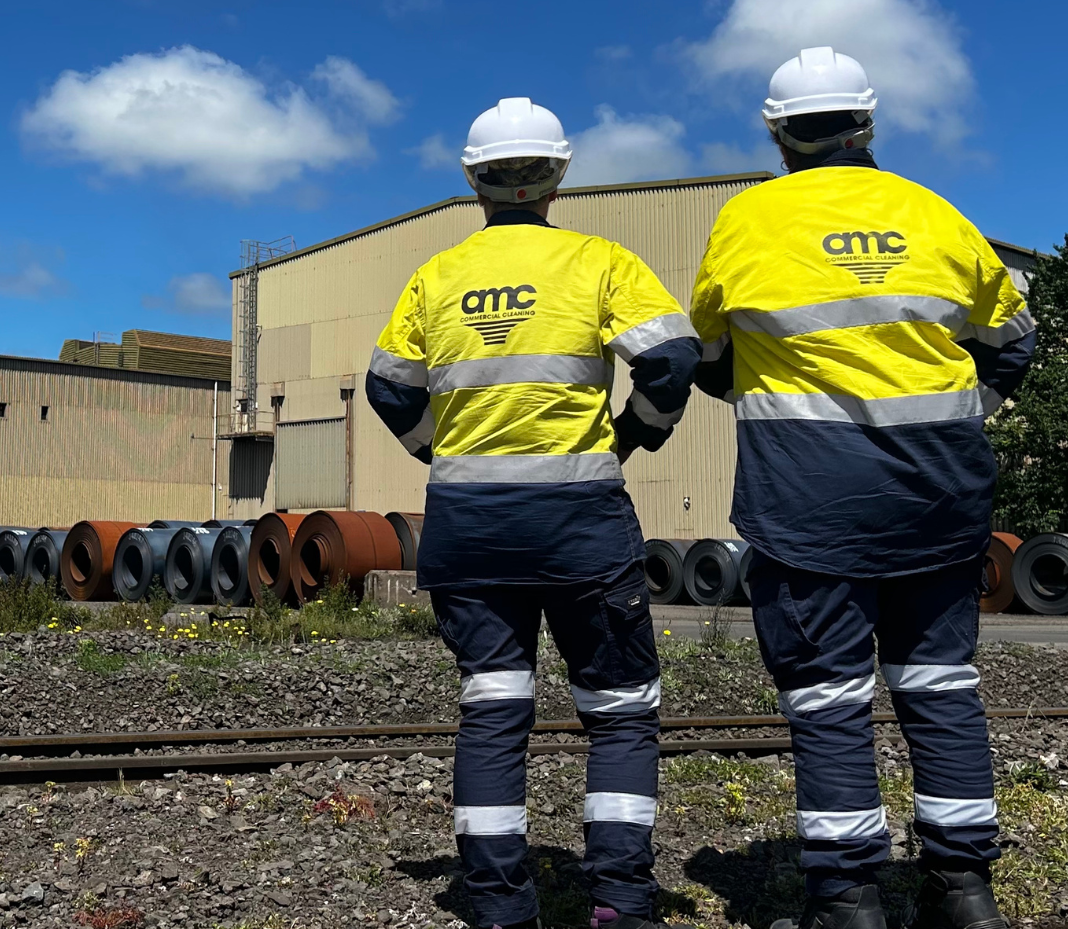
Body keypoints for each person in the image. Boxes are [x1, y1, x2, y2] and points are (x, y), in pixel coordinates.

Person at [687, 48, 1033, 929]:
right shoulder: (934, 214)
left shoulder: (747, 221)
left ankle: (847, 896)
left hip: (807, 500)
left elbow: (711, 357)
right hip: (941, 495)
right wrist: (956, 416)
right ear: (867, 124)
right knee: (941, 684)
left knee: (828, 698)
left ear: (776, 132)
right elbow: (1013, 343)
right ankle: (965, 890)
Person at [366, 97, 699, 929]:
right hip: (578, 519)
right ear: (557, 176)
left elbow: (385, 385)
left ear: (474, 180)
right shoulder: (599, 262)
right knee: (620, 711)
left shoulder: (435, 277)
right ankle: (620, 899)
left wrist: (432, 451)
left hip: (469, 524)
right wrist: (632, 435)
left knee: (494, 704)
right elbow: (671, 357)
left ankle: (497, 906)